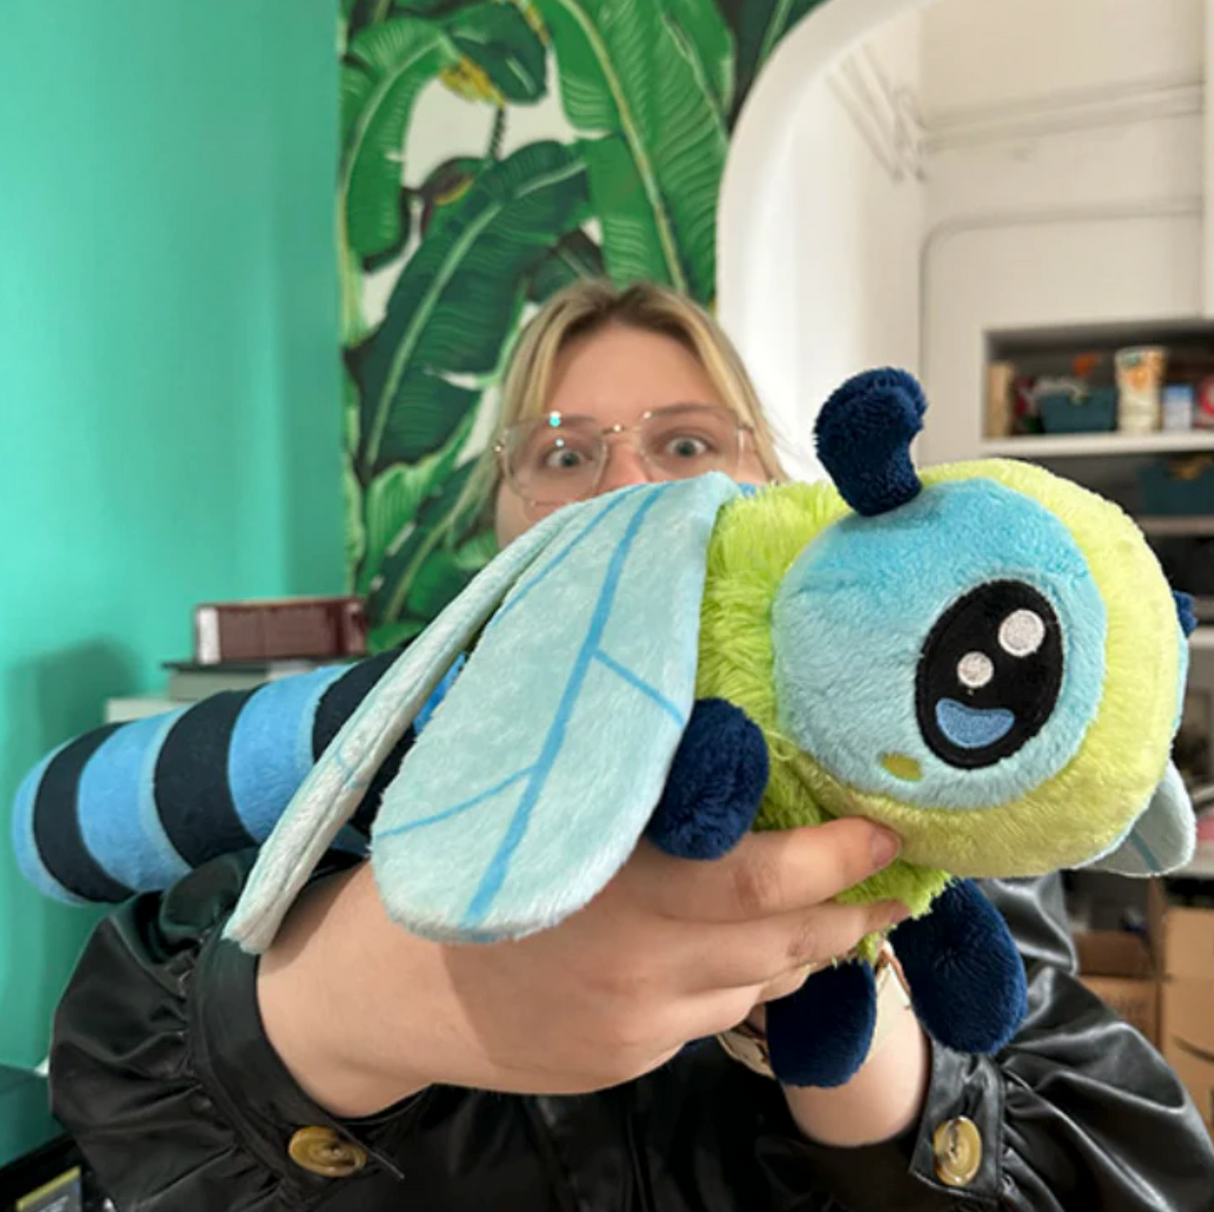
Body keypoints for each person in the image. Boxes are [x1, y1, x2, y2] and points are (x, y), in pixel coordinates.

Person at [38, 281, 1214, 1211]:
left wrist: (864, 1048)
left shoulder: (957, 796)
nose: (626, 488)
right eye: (562, 455)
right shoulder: (392, 759)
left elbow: (1132, 1161)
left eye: (686, 444)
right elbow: (114, 1093)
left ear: (779, 485)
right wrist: (346, 1006)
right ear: (503, 526)